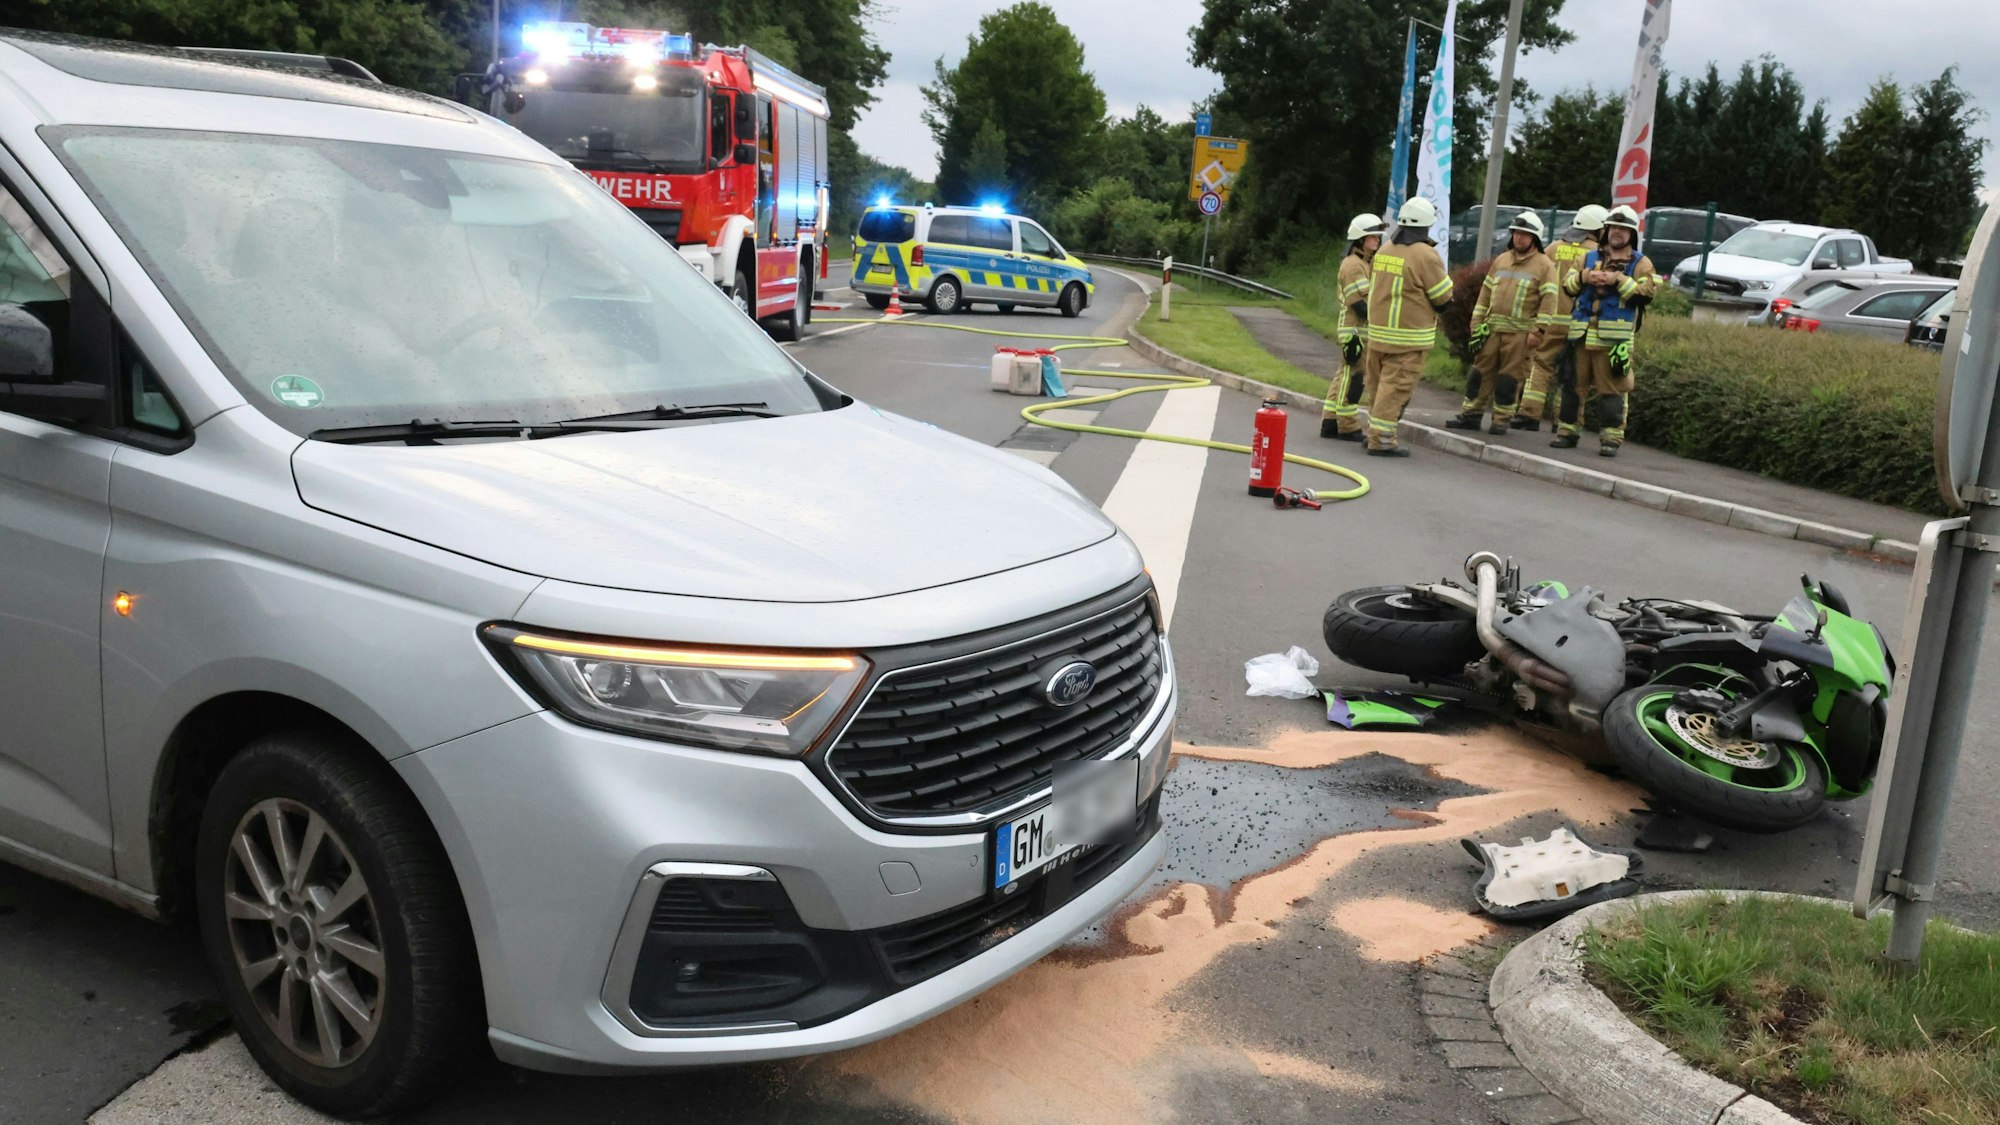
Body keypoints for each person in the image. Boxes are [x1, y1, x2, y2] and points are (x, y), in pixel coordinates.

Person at [1553, 203, 1659, 457]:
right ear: (1606, 230)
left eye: (1623, 229)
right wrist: (1585, 277)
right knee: (1572, 386)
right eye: (1613, 227)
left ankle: (1611, 439)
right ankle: (1567, 432)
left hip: (1613, 341)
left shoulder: (1642, 263)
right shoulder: (1587, 258)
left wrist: (1618, 280)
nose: (1617, 233)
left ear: (1631, 234)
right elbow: (1567, 285)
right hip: (1580, 335)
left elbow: (1647, 294)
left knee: (1611, 391)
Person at [1445, 211, 1557, 435]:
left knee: (1509, 380)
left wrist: (1539, 330)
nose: (1519, 238)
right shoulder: (1502, 260)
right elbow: (1486, 294)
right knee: (1479, 374)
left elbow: (1549, 300)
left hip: (1520, 333)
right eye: (1516, 233)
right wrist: (1477, 321)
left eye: (1525, 235)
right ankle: (1471, 415)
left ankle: (1501, 420)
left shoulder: (1544, 266)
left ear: (1535, 238)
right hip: (1493, 330)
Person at [1362, 196, 1453, 458]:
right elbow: (1444, 298)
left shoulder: (1385, 250)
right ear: (1426, 226)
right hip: (1408, 340)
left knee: (1378, 389)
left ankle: (1373, 433)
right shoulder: (1425, 254)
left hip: (1378, 336)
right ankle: (1381, 440)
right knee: (1395, 391)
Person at [1511, 203, 1605, 431]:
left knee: (1540, 367)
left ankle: (1528, 415)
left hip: (1550, 320)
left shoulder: (1553, 248)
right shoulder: (1598, 254)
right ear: (1597, 229)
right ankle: (1563, 421)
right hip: (1579, 324)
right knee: (1571, 374)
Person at [1321, 212, 1386, 441]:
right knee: (1355, 377)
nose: (1377, 240)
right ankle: (1347, 426)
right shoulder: (1353, 265)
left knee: (1343, 375)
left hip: (1357, 330)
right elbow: (1359, 305)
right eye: (1373, 236)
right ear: (1360, 239)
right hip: (1355, 331)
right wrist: (1384, 316)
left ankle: (1330, 422)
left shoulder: (1363, 264)